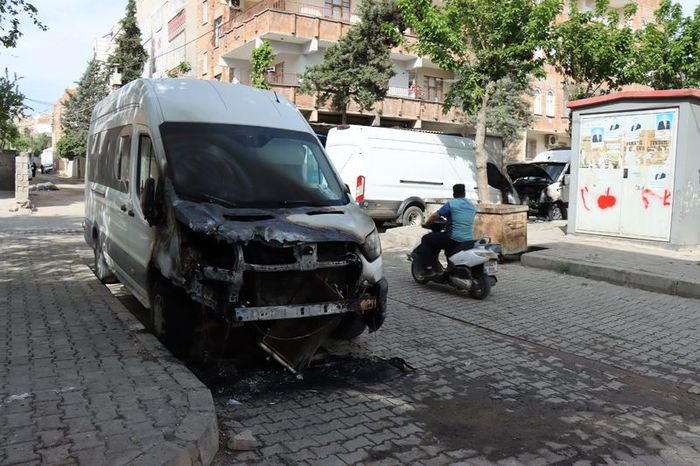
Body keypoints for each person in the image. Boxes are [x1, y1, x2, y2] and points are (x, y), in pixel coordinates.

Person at [416, 183, 477, 277]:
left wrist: (426, 224)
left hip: (454, 238)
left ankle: (429, 269)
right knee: (448, 248)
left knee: (426, 239)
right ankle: (450, 268)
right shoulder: (472, 206)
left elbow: (435, 216)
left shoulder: (452, 204)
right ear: (464, 193)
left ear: (454, 194)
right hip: (468, 239)